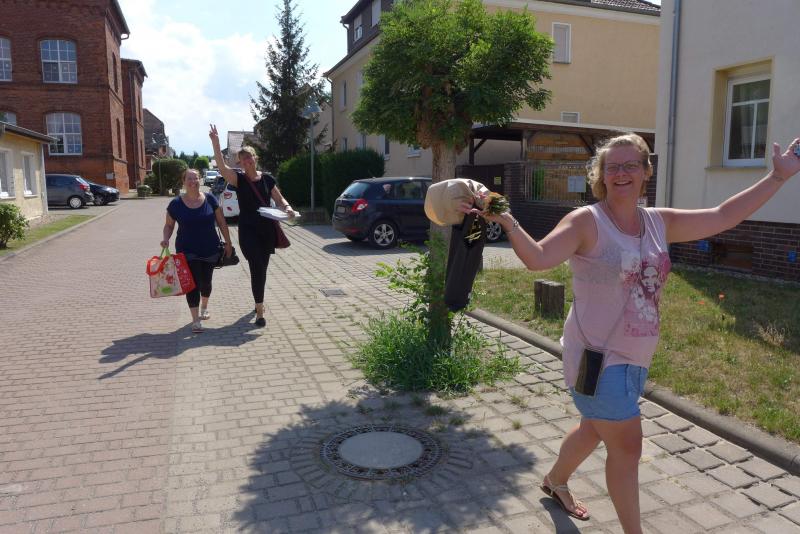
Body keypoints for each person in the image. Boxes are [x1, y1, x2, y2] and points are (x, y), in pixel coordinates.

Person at [464, 133, 800, 533]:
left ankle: (555, 481)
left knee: (593, 428)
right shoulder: (586, 221)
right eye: (612, 167)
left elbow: (723, 215)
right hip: (598, 359)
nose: (621, 173)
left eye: (630, 165)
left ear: (645, 172)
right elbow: (539, 258)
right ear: (601, 175)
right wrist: (507, 220)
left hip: (637, 356)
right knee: (626, 447)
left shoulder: (658, 222)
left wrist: (777, 178)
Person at [208, 124, 297, 327]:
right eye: (243, 158)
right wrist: (216, 143)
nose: (247, 161)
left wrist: (288, 208)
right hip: (248, 231)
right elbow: (222, 167)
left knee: (262, 269)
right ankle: (260, 310)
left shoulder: (267, 179)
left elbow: (279, 198)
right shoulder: (238, 179)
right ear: (240, 162)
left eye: (250, 157)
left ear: (255, 158)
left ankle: (258, 299)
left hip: (267, 231)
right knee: (256, 265)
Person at [161, 168, 233, 333]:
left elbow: (221, 222)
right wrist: (165, 238)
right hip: (187, 250)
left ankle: (204, 307)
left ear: (200, 180)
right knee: (193, 283)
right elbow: (169, 225)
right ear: (183, 181)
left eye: (195, 178)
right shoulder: (176, 204)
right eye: (189, 178)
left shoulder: (210, 199)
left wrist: (228, 242)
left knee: (206, 282)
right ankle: (195, 320)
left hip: (210, 248)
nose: (193, 182)